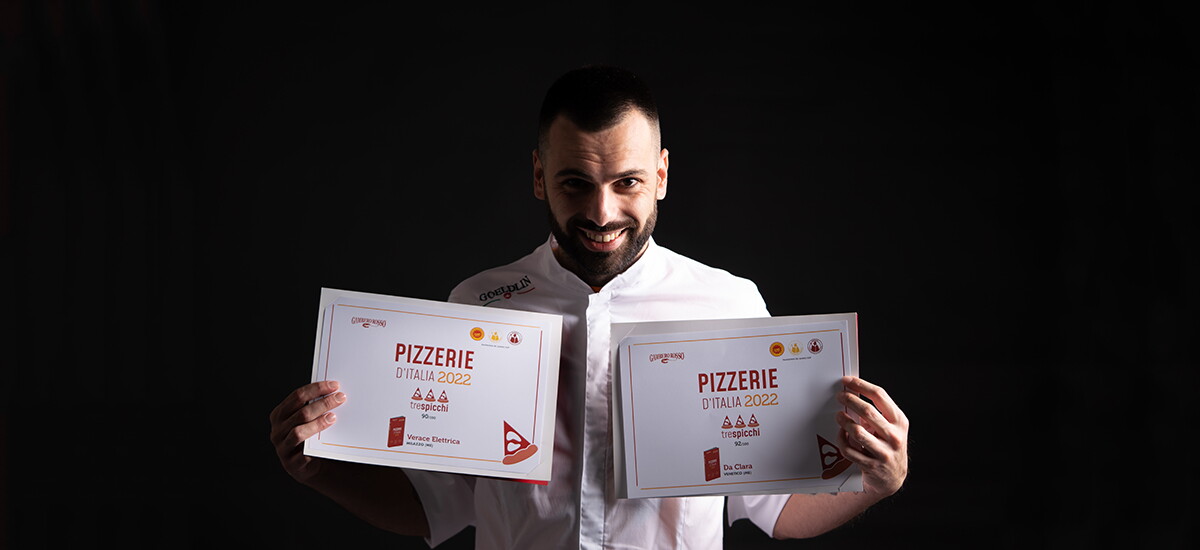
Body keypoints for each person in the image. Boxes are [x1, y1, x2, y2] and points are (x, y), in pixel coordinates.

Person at [269, 64, 909, 548]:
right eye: (576, 183)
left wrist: (880, 481)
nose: (602, 213)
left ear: (661, 175)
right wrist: (320, 471)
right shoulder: (478, 305)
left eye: (627, 182)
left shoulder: (730, 304)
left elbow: (776, 508)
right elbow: (437, 505)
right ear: (539, 177)